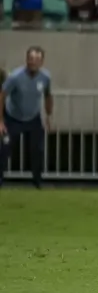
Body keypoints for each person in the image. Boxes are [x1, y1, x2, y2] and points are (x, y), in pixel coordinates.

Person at [0, 46, 52, 189]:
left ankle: (37, 182)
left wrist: (48, 116)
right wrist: (0, 121)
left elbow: (48, 95)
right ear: (26, 60)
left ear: (41, 62)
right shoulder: (15, 77)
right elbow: (2, 95)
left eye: (36, 59)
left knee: (37, 150)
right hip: (13, 118)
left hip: (33, 118)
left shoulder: (45, 77)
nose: (33, 62)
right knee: (4, 150)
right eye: (30, 59)